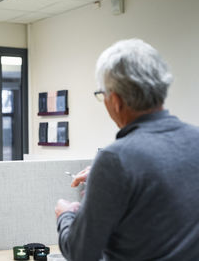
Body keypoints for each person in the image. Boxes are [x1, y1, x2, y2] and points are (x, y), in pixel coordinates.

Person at [55, 39, 199, 261]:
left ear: (116, 100)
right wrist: (105, 179)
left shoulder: (115, 159)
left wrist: (65, 215)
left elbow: (80, 253)